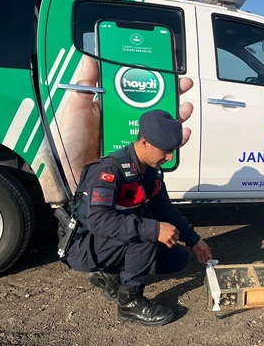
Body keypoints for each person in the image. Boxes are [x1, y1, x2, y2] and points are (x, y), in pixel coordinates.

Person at [64, 109, 213, 326]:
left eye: (172, 151)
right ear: (144, 143)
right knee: (148, 233)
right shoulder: (110, 169)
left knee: (178, 258)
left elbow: (165, 209)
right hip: (84, 246)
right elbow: (98, 221)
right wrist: (152, 230)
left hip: (111, 241)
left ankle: (109, 273)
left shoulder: (150, 170)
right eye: (165, 151)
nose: (169, 157)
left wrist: (195, 241)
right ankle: (129, 303)